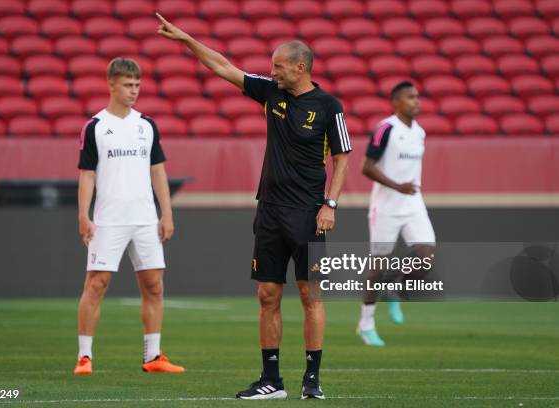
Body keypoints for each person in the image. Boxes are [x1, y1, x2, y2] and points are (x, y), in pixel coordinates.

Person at [156, 14, 352, 400]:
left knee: (311, 294)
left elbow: (342, 158)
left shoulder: (329, 106)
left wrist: (330, 204)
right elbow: (223, 66)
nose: (272, 71)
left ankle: (312, 379)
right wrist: (186, 39)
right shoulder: (271, 93)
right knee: (267, 294)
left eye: (278, 66)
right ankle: (271, 380)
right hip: (270, 211)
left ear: (301, 67)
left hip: (309, 214)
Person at [73, 57, 185, 375]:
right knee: (97, 284)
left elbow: (158, 171)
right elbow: (86, 175)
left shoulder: (146, 125)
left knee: (154, 286)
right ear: (111, 84)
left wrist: (167, 213)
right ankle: (84, 357)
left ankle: (153, 356)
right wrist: (84, 215)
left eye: (137, 85)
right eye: (127, 84)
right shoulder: (95, 127)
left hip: (145, 218)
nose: (134, 90)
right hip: (108, 219)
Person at [357, 81, 436, 347]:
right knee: (377, 266)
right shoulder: (385, 129)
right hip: (386, 207)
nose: (417, 101)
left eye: (417, 97)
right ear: (396, 102)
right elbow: (366, 167)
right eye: (410, 97)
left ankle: (395, 289)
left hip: (414, 204)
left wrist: (407, 189)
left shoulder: (420, 132)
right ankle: (366, 323)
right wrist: (396, 186)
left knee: (425, 257)